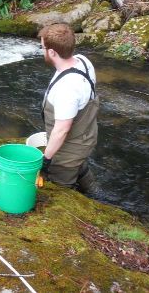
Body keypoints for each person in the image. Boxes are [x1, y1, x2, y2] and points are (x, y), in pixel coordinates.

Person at [38, 23, 100, 193]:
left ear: (52, 52)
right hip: (87, 135)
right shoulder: (83, 61)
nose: (42, 51)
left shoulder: (67, 89)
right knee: (78, 164)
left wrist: (46, 159)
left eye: (43, 48)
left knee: (60, 189)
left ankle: (85, 206)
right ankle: (95, 193)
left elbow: (61, 130)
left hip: (68, 150)